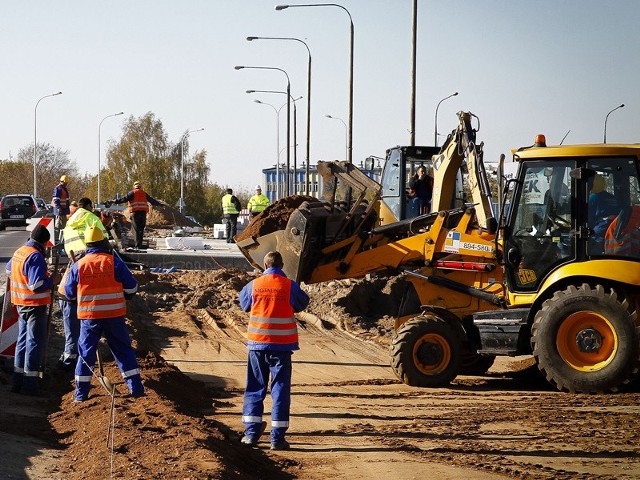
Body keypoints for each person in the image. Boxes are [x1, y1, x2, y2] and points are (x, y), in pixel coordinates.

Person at [238, 251, 310, 450]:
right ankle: (277, 439)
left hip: (257, 345)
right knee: (280, 390)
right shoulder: (289, 286)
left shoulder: (254, 285)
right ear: (282, 264)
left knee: (254, 388)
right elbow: (302, 303)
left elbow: (244, 304)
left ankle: (251, 434)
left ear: (264, 264)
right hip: (282, 347)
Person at [63, 226, 144, 401]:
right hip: (113, 316)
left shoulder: (79, 265)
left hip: (89, 318)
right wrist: (125, 294)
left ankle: (80, 394)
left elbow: (68, 293)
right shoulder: (114, 262)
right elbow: (132, 287)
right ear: (104, 242)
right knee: (123, 350)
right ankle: (136, 389)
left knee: (85, 354)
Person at [7, 225, 60, 395]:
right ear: (44, 242)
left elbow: (9, 270)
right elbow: (36, 285)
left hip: (21, 303)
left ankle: (17, 380)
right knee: (34, 343)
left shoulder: (20, 251)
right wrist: (52, 280)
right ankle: (30, 384)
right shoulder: (36, 256)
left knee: (22, 341)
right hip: (34, 305)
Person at [57, 197, 109, 370]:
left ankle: (71, 354)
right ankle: (81, 355)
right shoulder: (92, 218)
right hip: (90, 261)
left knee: (68, 302)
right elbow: (104, 241)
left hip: (73, 261)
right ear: (88, 206)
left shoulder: (71, 220)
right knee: (89, 309)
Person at [111, 181, 161, 250]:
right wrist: (160, 204)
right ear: (140, 187)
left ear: (134, 186)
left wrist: (114, 201)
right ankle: (139, 245)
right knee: (141, 229)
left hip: (136, 213)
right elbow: (152, 200)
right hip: (143, 214)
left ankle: (137, 246)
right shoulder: (144, 193)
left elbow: (123, 199)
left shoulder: (132, 193)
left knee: (136, 229)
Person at [588, 174, 620, 241]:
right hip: (614, 229)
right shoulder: (612, 197)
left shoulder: (593, 197)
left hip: (599, 232)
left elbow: (589, 218)